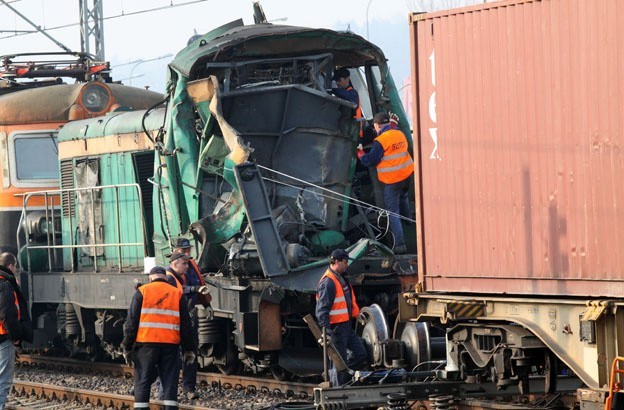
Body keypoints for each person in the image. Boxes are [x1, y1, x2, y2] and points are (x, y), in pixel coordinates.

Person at [122, 266, 195, 410]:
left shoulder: (142, 292)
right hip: (170, 346)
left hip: (145, 346)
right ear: (166, 278)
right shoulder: (177, 293)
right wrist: (189, 349)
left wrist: (127, 347)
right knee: (169, 383)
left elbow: (131, 323)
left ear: (150, 278)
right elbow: (186, 325)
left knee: (142, 381)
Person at [357, 112, 414, 254]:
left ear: (376, 125)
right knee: (403, 197)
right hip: (407, 175)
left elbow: (371, 161)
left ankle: (400, 245)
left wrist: (360, 153)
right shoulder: (399, 133)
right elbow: (393, 133)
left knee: (392, 212)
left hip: (392, 180)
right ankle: (408, 220)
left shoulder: (381, 141)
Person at [315, 249, 367, 387]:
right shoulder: (328, 282)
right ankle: (338, 390)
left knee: (360, 354)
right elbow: (322, 309)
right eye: (345, 262)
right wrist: (326, 331)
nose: (347, 265)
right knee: (338, 364)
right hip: (336, 329)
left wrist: (356, 314)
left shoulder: (342, 278)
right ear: (337, 262)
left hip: (346, 326)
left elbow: (349, 300)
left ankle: (342, 376)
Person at [166, 250, 209, 399]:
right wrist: (195, 289)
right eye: (184, 263)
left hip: (186, 319)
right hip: (175, 323)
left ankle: (188, 388)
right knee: (174, 356)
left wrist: (206, 304)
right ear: (175, 263)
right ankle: (166, 389)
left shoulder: (183, 274)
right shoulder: (169, 277)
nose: (187, 265)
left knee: (189, 353)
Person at [0, 253, 32, 410]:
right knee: (3, 378)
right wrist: (16, 336)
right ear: (11, 266)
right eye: (15, 267)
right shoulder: (5, 284)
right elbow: (9, 315)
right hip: (3, 337)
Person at [332, 67, 364, 138]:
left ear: (347, 79)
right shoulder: (340, 93)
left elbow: (345, 95)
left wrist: (332, 89)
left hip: (355, 132)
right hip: (347, 130)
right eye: (336, 81)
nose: (337, 83)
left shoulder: (352, 93)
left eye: (339, 80)